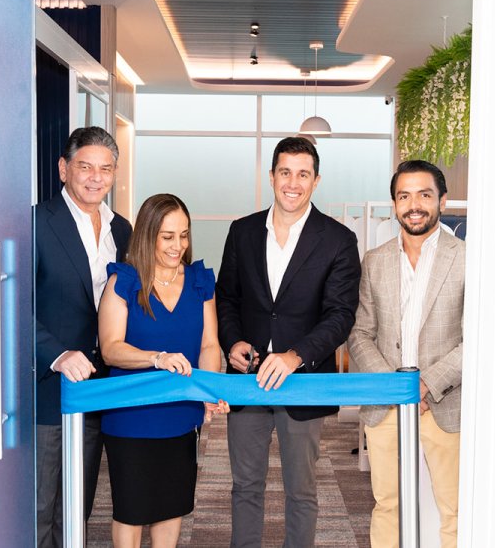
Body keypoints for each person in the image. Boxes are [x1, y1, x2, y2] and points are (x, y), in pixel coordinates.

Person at [217, 136, 361, 547]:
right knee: (245, 487)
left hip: (304, 381)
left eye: (302, 174)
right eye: (285, 172)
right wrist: (232, 343)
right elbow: (227, 297)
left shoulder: (338, 239)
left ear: (316, 181)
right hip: (247, 381)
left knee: (302, 491)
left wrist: (296, 355)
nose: (292, 182)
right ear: (271, 176)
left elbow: (340, 316)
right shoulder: (242, 231)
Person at [97, 193, 229, 548]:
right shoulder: (123, 281)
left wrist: (210, 392)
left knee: (172, 507)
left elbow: (209, 345)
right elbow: (111, 348)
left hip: (181, 414)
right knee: (132, 509)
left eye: (183, 235)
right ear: (148, 235)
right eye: (167, 236)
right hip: (130, 416)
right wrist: (157, 357)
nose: (178, 245)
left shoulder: (200, 281)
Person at [347, 160, 465, 548]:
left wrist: (427, 384)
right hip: (387, 404)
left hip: (443, 403)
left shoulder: (467, 258)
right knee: (387, 504)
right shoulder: (375, 260)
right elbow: (360, 333)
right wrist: (395, 387)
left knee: (455, 509)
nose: (414, 205)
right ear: (394, 204)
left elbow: (475, 338)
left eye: (424, 195)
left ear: (442, 201)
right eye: (404, 196)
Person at [34, 126, 132, 548]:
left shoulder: (123, 230)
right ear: (63, 169)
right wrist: (56, 354)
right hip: (49, 388)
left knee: (79, 505)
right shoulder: (36, 221)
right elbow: (9, 306)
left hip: (101, 389)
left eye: (105, 169)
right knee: (40, 507)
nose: (96, 177)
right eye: (85, 167)